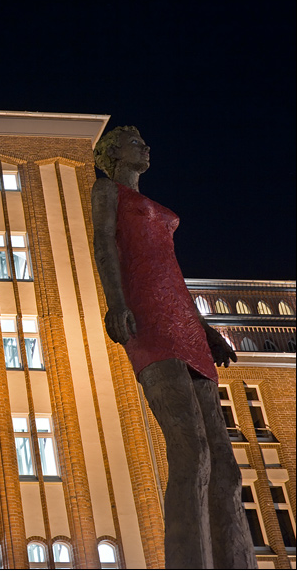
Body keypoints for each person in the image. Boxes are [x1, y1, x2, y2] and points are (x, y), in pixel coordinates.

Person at [91, 126, 255, 569]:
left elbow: (173, 274)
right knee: (192, 451)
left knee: (225, 463)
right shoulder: (107, 193)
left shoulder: (157, 210)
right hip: (148, 318)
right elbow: (105, 247)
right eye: (134, 141)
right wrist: (116, 303)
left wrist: (205, 328)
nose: (145, 146)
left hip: (182, 319)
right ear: (112, 153)